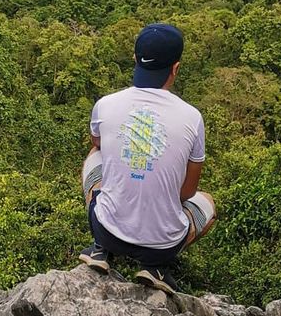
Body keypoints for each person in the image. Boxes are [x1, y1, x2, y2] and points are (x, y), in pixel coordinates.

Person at [79, 22, 216, 294]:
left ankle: (100, 250)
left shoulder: (105, 104)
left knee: (95, 155)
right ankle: (154, 267)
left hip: (107, 230)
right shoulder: (192, 117)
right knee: (208, 203)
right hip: (163, 244)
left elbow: (97, 143)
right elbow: (187, 192)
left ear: (135, 59)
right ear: (175, 68)